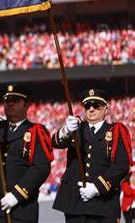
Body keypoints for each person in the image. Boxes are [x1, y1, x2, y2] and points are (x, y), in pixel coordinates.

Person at [0, 84, 52, 222]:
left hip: (21, 206)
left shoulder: (35, 131)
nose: (10, 104)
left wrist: (17, 194)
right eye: (7, 101)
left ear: (26, 106)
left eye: (15, 101)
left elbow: (41, 167)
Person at [52, 88, 132, 222]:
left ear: (105, 109)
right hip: (75, 203)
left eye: (96, 105)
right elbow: (55, 142)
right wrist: (66, 130)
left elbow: (122, 165)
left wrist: (97, 187)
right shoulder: (75, 129)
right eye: (88, 105)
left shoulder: (116, 132)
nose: (91, 109)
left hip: (103, 203)